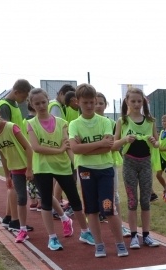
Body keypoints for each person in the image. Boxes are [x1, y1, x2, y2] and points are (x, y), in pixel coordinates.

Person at [27, 88, 94, 251]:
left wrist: (76, 164)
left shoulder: (62, 123)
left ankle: (85, 232)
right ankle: (52, 238)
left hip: (62, 166)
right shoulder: (30, 124)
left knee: (75, 200)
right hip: (42, 167)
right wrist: (58, 150)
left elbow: (68, 145)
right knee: (46, 203)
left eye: (43, 102)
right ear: (31, 105)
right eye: (37, 104)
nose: (41, 106)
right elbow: (36, 147)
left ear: (48, 101)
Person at [68, 83, 127, 258]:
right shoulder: (74, 124)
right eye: (85, 102)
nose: (89, 105)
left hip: (105, 171)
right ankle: (99, 244)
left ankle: (119, 243)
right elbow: (75, 149)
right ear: (78, 102)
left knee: (108, 209)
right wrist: (98, 144)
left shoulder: (105, 122)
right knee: (91, 210)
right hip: (86, 171)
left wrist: (86, 146)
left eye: (92, 102)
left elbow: (108, 147)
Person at [114, 87, 161, 249]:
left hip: (146, 163)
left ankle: (146, 235)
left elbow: (157, 142)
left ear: (143, 102)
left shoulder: (150, 121)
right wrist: (125, 139)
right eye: (132, 101)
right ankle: (134, 236)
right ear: (127, 101)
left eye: (139, 101)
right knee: (132, 201)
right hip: (129, 163)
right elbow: (114, 145)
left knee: (146, 201)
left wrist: (155, 143)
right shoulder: (122, 121)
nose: (136, 104)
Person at [0, 105, 35, 243]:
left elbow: (28, 148)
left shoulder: (11, 127)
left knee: (44, 195)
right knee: (21, 198)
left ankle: (64, 218)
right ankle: (22, 228)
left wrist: (30, 168)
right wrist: (7, 175)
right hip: (15, 170)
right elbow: (3, 156)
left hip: (29, 166)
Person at [95, 92, 131, 238]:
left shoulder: (111, 123)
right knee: (93, 195)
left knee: (114, 194)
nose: (97, 106)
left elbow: (114, 144)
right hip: (91, 164)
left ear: (106, 105)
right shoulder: (85, 123)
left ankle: (120, 225)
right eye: (95, 102)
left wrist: (121, 142)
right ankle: (94, 223)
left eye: (101, 103)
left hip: (109, 163)